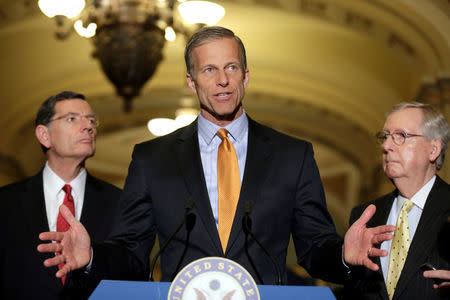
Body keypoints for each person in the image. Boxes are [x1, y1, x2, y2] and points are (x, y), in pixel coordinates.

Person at [37, 26, 394, 286]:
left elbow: (315, 250)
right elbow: (132, 255)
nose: (222, 79)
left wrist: (344, 257)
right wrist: (93, 256)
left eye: (231, 67)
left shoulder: (292, 156)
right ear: (192, 82)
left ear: (246, 76)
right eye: (209, 70)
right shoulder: (151, 158)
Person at [0, 91, 122, 300]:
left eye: (91, 120)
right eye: (72, 118)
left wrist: (92, 258)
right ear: (44, 135)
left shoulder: (120, 202)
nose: (88, 126)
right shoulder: (5, 203)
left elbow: (133, 273)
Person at [346, 102, 450, 299]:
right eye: (385, 137)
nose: (386, 146)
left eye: (401, 136)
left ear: (433, 149)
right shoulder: (363, 216)